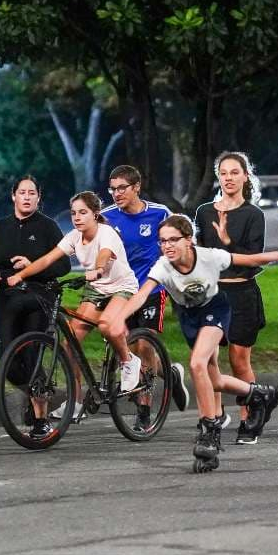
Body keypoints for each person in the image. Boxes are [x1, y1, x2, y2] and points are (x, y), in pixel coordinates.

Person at [103, 214, 278, 471]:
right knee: (213, 379)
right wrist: (119, 318)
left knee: (197, 364)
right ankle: (258, 393)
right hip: (190, 318)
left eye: (173, 240)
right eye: (162, 241)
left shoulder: (209, 256)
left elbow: (250, 259)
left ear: (189, 240)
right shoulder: (162, 267)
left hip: (215, 309)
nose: (167, 246)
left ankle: (209, 429)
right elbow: (142, 294)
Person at [6, 191, 140, 438]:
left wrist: (98, 270)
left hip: (122, 287)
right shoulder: (74, 237)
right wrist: (21, 276)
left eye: (83, 213)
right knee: (68, 345)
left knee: (108, 327)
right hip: (96, 290)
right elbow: (48, 259)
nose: (77, 218)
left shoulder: (106, 233)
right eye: (74, 213)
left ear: (95, 215)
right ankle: (76, 403)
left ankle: (129, 361)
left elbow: (104, 255)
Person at [101, 165, 190, 419]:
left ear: (136, 187)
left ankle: (144, 408)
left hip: (151, 289)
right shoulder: (106, 217)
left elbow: (181, 237)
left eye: (122, 188)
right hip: (121, 293)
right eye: (113, 189)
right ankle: (170, 373)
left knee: (144, 346)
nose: (116, 194)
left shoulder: (159, 213)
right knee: (125, 347)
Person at [0, 176, 71, 432]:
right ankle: (41, 392)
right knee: (8, 365)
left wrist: (32, 265)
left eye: (31, 193)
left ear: (38, 197)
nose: (26, 197)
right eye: (21, 192)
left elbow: (64, 265)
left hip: (39, 298)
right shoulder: (0, 227)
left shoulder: (48, 227)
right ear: (13, 196)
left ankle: (40, 418)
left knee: (32, 356)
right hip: (9, 299)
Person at [194, 151, 267, 444]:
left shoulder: (253, 214)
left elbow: (255, 258)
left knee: (238, 359)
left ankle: (250, 416)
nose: (228, 178)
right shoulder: (204, 212)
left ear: (245, 176)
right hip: (212, 294)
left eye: (234, 172)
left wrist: (227, 243)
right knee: (208, 358)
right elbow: (197, 252)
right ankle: (213, 416)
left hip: (242, 292)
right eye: (223, 173)